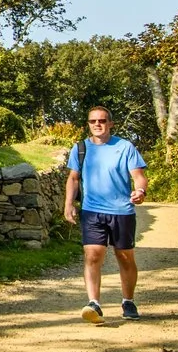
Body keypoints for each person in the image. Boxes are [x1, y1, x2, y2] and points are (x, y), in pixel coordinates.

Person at [62, 107, 147, 323]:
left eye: (102, 120)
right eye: (93, 121)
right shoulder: (80, 148)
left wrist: (140, 191)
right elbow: (73, 178)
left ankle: (128, 300)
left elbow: (138, 175)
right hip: (92, 211)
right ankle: (94, 303)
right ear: (88, 124)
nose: (97, 124)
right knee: (93, 255)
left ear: (111, 123)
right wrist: (68, 204)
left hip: (122, 211)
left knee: (125, 257)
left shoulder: (125, 147)